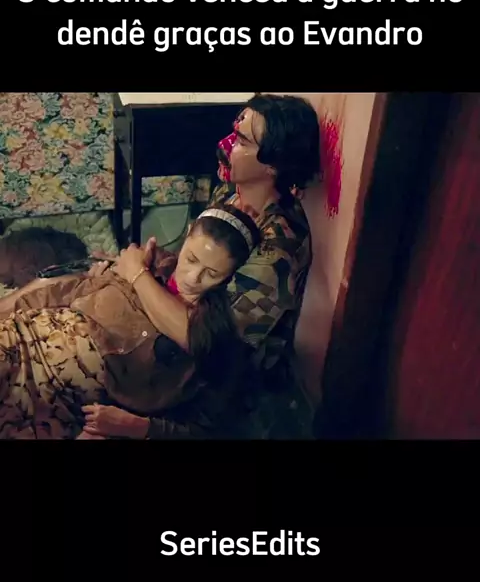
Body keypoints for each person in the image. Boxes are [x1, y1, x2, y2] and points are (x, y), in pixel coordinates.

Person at [100, 93, 321, 377]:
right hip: (181, 319)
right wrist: (159, 264)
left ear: (273, 165)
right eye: (234, 133)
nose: (224, 144)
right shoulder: (230, 192)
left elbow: (209, 344)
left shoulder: (278, 246)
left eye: (241, 141)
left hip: (220, 371)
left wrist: (137, 275)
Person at [0, 205, 260, 440]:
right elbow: (70, 288)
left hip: (57, 395)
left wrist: (138, 426)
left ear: (229, 276)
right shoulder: (152, 264)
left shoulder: (212, 333)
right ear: (188, 234)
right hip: (22, 339)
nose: (193, 278)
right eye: (191, 259)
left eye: (212, 273)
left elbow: (207, 425)